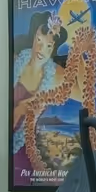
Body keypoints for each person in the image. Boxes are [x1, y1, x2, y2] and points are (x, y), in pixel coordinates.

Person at [12, 11, 68, 174]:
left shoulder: (54, 77)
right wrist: (18, 110)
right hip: (7, 146)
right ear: (33, 38)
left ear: (53, 49)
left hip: (27, 147)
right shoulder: (16, 60)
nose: (41, 49)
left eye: (49, 46)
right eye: (39, 40)